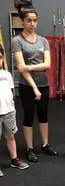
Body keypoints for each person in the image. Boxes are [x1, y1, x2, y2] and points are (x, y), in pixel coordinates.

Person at [11, 0, 58, 162]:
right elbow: (21, 70)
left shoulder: (43, 40)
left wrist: (29, 67)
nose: (32, 24)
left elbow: (47, 64)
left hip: (43, 83)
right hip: (27, 86)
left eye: (35, 21)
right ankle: (30, 148)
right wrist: (34, 88)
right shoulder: (17, 41)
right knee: (29, 117)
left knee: (43, 116)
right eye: (29, 21)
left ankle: (45, 144)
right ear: (22, 21)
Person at [0, 44, 29, 176]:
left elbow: (11, 92)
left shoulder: (7, 74)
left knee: (10, 136)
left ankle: (14, 159)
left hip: (9, 111)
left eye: (0, 58)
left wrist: (11, 105)